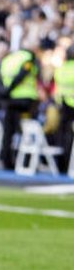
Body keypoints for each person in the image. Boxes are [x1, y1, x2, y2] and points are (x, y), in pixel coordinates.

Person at [0, 46, 39, 171]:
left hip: (9, 100)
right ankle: (26, 161)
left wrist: (5, 92)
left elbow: (0, 77)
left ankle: (6, 160)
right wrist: (10, 89)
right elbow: (22, 75)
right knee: (26, 131)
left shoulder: (8, 59)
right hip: (25, 101)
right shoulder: (27, 58)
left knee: (8, 132)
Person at [54, 45, 74, 174]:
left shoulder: (60, 69)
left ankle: (61, 164)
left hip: (62, 105)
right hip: (72, 105)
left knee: (62, 135)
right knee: (70, 138)